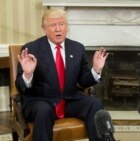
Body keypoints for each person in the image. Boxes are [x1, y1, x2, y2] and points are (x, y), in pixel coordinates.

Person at [15, 8, 108, 141]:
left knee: (95, 103)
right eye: (53, 25)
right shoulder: (31, 49)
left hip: (69, 100)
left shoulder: (77, 48)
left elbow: (83, 80)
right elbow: (19, 85)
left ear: (67, 27)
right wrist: (27, 74)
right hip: (41, 101)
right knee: (43, 110)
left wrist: (96, 70)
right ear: (44, 29)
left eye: (61, 24)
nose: (58, 29)